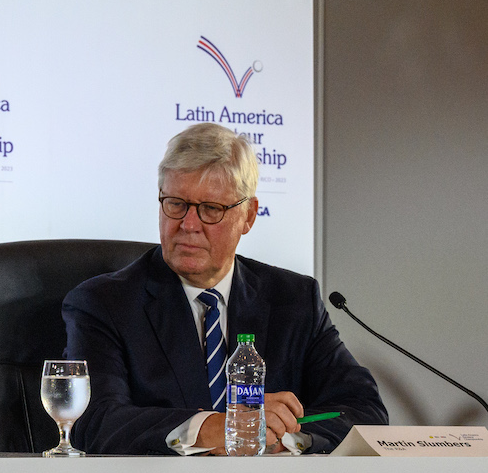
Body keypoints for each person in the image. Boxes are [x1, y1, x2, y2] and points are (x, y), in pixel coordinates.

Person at [63, 123, 384, 455]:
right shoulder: (104, 304)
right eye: (176, 204)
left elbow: (363, 412)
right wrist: (212, 428)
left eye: (211, 209)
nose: (188, 225)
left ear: (248, 215)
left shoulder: (294, 300)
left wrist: (284, 438)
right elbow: (94, 421)